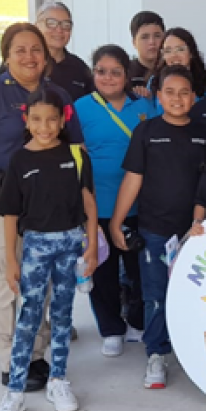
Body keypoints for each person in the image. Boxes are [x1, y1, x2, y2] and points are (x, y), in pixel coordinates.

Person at [0, 22, 84, 391]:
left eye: (35, 49)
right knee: (9, 278)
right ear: (6, 55)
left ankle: (36, 355)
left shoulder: (59, 96)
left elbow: (76, 151)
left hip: (49, 205)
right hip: (4, 202)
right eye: (19, 49)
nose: (29, 56)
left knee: (40, 280)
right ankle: (11, 360)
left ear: (45, 54)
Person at [0, 87, 99, 411]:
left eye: (52, 119)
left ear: (63, 119)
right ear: (26, 120)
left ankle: (58, 380)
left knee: (63, 315)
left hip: (70, 245)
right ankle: (15, 392)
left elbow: (89, 204)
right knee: (28, 317)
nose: (44, 126)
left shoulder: (76, 155)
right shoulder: (20, 160)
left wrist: (92, 246)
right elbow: (9, 215)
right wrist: (11, 260)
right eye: (36, 119)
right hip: (35, 247)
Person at [108, 65, 206, 390]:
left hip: (197, 233)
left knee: (201, 293)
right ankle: (156, 354)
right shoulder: (147, 131)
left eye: (184, 92)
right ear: (158, 96)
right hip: (155, 229)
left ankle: (198, 353)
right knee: (156, 294)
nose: (177, 98)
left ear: (195, 96)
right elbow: (132, 178)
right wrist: (116, 222)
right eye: (169, 92)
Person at [74, 45, 155, 357]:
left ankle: (136, 321)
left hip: (139, 204)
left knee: (138, 270)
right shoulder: (81, 108)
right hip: (97, 205)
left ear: (127, 74)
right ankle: (110, 329)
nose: (108, 77)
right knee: (103, 271)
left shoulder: (144, 105)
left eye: (115, 71)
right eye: (101, 71)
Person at [34, 2, 94, 101]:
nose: (59, 30)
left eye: (66, 25)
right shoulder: (25, 63)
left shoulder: (79, 68)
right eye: (51, 23)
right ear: (36, 26)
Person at [147, 27, 206, 99]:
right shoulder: (154, 81)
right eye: (168, 51)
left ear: (191, 52)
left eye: (180, 49)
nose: (174, 55)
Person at [128, 11, 165, 92]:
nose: (152, 42)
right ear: (134, 42)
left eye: (157, 36)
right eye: (144, 37)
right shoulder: (125, 73)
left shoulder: (172, 70)